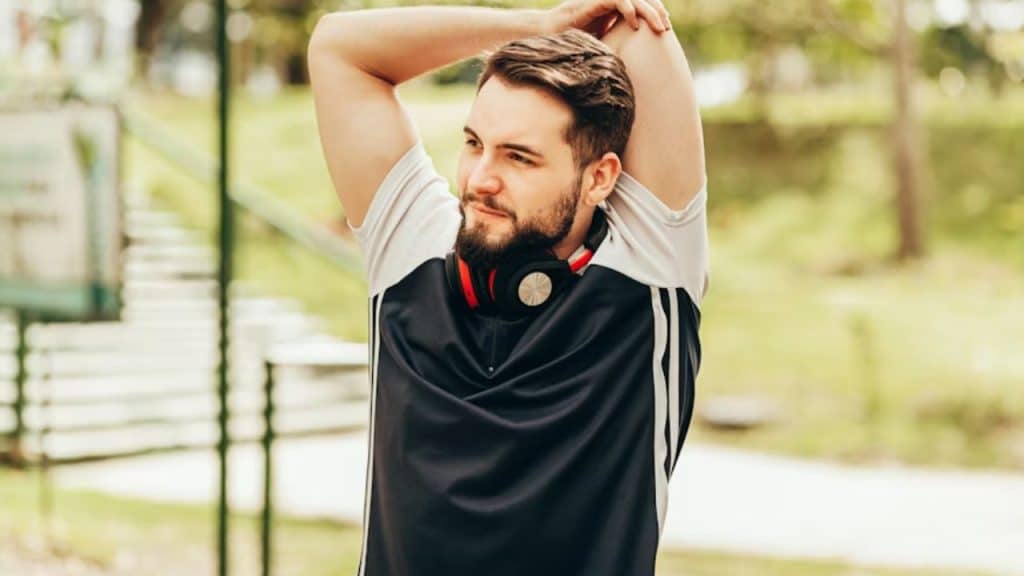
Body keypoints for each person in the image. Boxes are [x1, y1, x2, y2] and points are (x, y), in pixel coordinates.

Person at [308, 0, 708, 573]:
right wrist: (535, 26)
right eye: (474, 143)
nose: (481, 180)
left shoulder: (646, 275)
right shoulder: (411, 252)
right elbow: (339, 47)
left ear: (599, 179)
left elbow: (636, 22)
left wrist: (571, 37)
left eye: (519, 157)